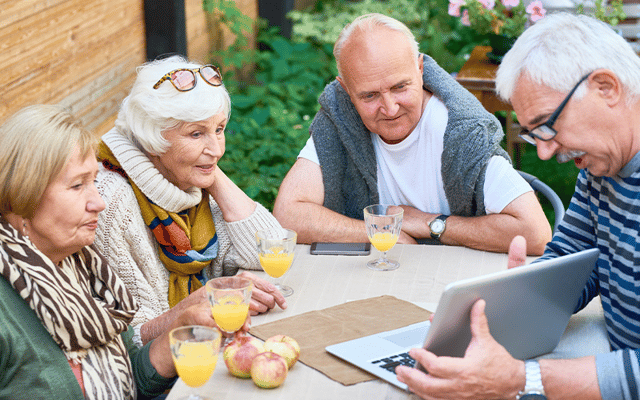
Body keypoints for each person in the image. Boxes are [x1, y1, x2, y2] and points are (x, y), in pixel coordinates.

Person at [395, 13, 640, 399]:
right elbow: (571, 260)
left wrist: (523, 379)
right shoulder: (602, 165)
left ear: (606, 87)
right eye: (533, 133)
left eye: (547, 124)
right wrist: (511, 305)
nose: (543, 152)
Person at [272, 13, 551, 255]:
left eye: (400, 87)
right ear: (346, 92)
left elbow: (535, 233)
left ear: (420, 70)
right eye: (369, 95)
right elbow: (287, 215)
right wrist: (380, 232)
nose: (390, 108)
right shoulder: (339, 117)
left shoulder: (460, 129)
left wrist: (432, 223)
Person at [0, 105, 217, 399]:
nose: (98, 203)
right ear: (21, 196)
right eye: (78, 185)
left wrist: (179, 331)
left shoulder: (85, 267)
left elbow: (128, 378)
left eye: (94, 181)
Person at [94, 55, 286, 347]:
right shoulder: (108, 199)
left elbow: (270, 250)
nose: (217, 148)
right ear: (151, 139)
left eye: (219, 129)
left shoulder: (185, 178)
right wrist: (206, 298)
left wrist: (211, 171)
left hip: (203, 345)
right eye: (196, 133)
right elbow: (131, 339)